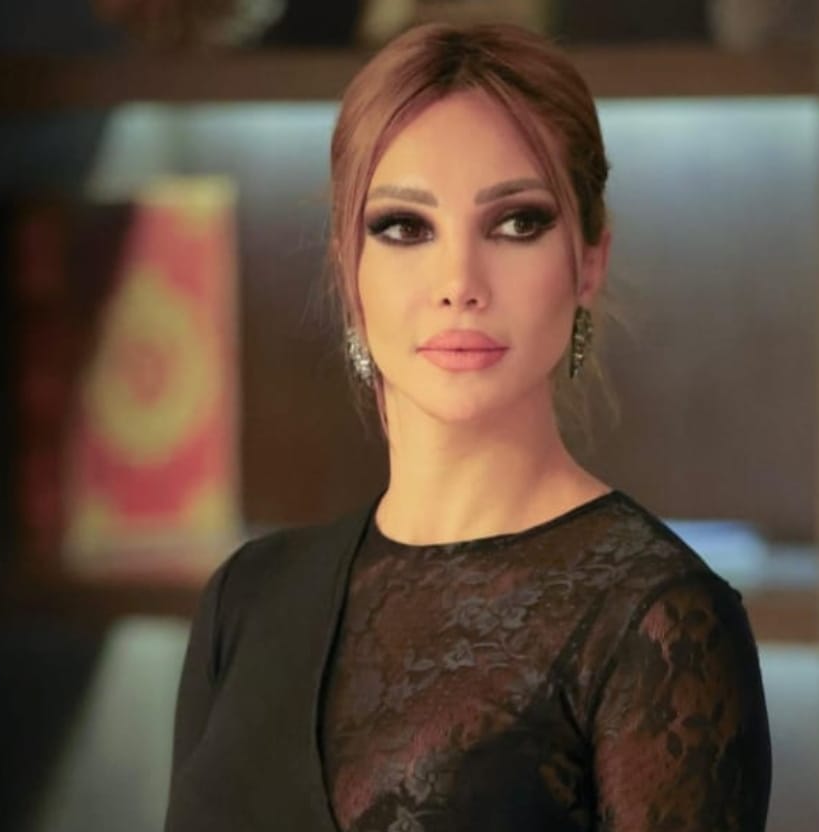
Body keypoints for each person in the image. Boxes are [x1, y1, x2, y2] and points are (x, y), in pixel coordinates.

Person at [165, 21, 771, 832]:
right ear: (348, 265)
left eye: (517, 223)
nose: (459, 281)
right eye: (404, 227)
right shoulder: (247, 598)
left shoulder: (664, 625)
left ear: (590, 262)